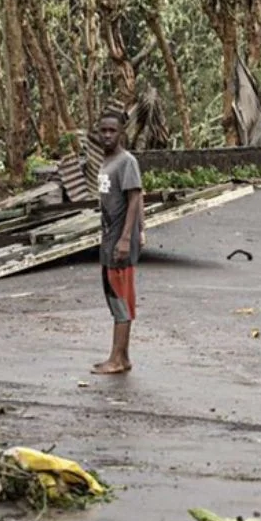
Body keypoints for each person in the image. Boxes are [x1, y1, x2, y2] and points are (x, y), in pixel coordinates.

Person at [91, 112, 144, 376]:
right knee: (113, 296)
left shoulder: (127, 161)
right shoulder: (105, 161)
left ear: (121, 132)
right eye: (103, 130)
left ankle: (116, 359)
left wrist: (128, 237)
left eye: (113, 130)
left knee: (121, 297)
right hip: (108, 237)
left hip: (120, 240)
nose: (108, 135)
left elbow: (135, 197)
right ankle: (121, 356)